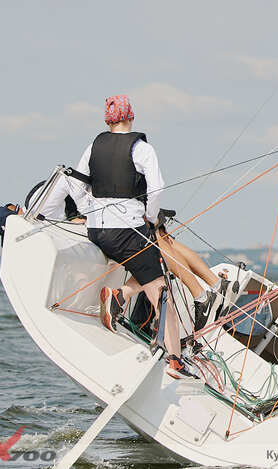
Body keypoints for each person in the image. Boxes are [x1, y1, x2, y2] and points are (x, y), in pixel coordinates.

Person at [58, 95, 191, 378]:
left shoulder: (93, 145)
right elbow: (156, 188)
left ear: (108, 121)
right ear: (131, 117)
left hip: (97, 230)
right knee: (161, 287)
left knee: (150, 265)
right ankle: (175, 359)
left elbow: (76, 184)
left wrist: (87, 210)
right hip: (126, 231)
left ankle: (120, 295)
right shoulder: (142, 148)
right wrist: (151, 218)